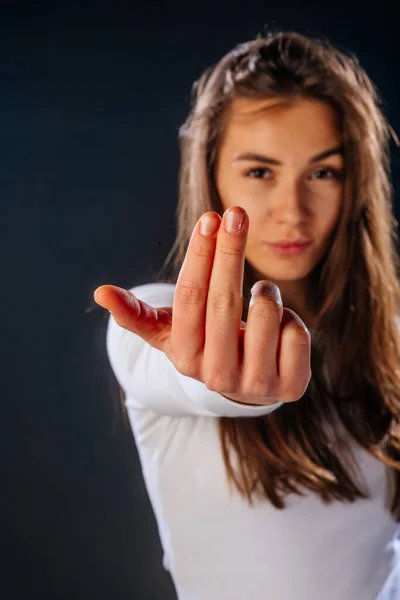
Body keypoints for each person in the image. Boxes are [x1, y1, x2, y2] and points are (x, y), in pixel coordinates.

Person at [94, 30, 400, 599]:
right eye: (259, 172)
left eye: (323, 172)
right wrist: (222, 382)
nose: (292, 211)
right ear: (211, 175)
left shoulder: (391, 345)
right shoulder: (154, 320)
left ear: (355, 183)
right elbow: (174, 369)